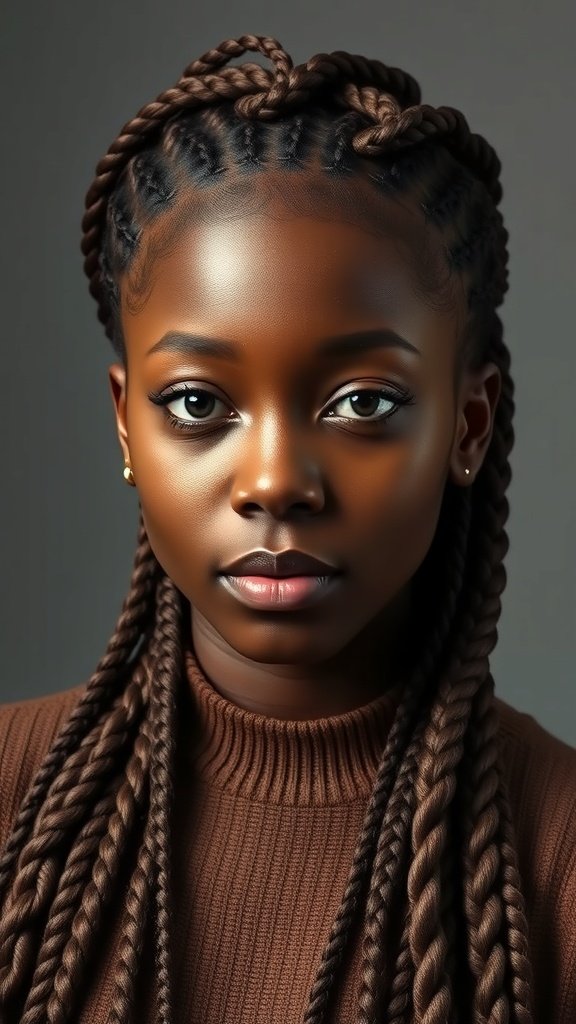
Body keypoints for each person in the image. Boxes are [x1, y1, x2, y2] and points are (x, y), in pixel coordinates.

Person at [0, 32, 574, 1024]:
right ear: (124, 423)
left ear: (466, 424)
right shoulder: (13, 799)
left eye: (360, 403)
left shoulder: (554, 854)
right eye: (195, 404)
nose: (275, 482)